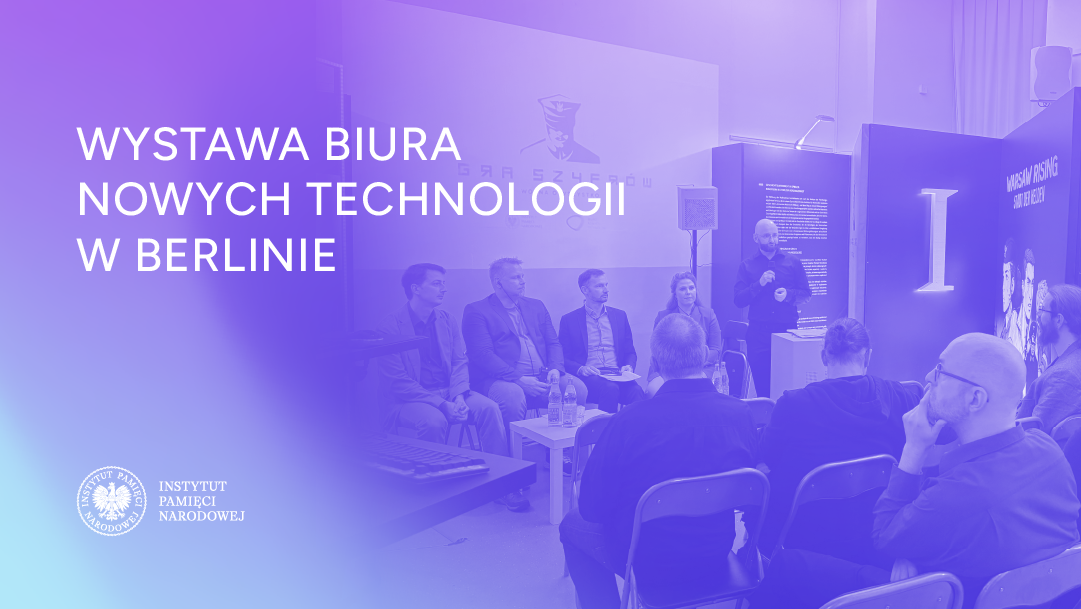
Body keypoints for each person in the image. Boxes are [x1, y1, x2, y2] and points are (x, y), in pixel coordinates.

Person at [753, 333, 1080, 609]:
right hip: (1024, 591)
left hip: (946, 596)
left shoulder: (959, 497)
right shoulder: (1047, 447)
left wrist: (913, 450)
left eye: (940, 371)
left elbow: (884, 536)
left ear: (975, 399)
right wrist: (912, 550)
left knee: (788, 565)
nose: (927, 378)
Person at [560, 313, 757, 609]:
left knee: (570, 525)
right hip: (716, 549)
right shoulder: (740, 414)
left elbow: (591, 507)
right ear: (706, 354)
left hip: (645, 557)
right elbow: (749, 491)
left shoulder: (627, 421)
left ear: (655, 362)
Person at [757, 318, 921, 563]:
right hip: (876, 532)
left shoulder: (793, 404)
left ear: (824, 357)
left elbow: (767, 457)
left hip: (807, 539)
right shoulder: (899, 396)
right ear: (868, 357)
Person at [377, 263, 524, 512]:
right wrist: (442, 404)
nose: (444, 289)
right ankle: (434, 492)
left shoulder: (447, 320)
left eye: (443, 283)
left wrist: (458, 397)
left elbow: (459, 362)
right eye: (436, 283)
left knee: (489, 408)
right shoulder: (390, 326)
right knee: (433, 421)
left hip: (450, 391)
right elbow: (398, 381)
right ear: (415, 288)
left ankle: (501, 485)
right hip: (410, 400)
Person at [461, 257, 587, 443]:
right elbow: (482, 355)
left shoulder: (536, 305)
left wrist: (555, 368)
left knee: (578, 389)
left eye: (522, 276)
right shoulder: (477, 310)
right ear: (498, 282)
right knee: (513, 396)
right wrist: (518, 379)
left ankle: (562, 451)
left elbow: (553, 343)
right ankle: (512, 456)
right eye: (515, 277)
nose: (522, 281)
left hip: (542, 375)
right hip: (500, 379)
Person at [734, 218, 811, 398]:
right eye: (767, 236)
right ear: (756, 238)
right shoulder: (747, 265)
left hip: (787, 331)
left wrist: (788, 295)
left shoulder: (793, 262)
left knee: (788, 386)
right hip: (758, 334)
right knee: (763, 387)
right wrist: (758, 284)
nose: (772, 240)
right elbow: (738, 300)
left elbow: (806, 294)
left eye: (775, 235)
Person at [559, 269, 646, 413]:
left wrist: (629, 366)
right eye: (599, 286)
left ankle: (635, 428)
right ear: (585, 290)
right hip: (590, 377)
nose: (606, 290)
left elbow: (630, 352)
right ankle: (606, 427)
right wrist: (581, 369)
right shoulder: (569, 320)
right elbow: (562, 357)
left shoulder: (620, 316)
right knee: (610, 389)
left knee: (637, 391)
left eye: (606, 285)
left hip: (617, 374)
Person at [645, 271, 722, 396]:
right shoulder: (662, 316)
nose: (688, 292)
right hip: (667, 370)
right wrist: (675, 368)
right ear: (675, 294)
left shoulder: (709, 315)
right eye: (682, 289)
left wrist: (692, 365)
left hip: (701, 368)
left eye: (691, 288)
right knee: (654, 391)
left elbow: (715, 350)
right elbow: (657, 350)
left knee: (691, 389)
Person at [1018, 283, 1081, 434]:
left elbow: (1032, 434)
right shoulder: (1071, 360)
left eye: (1042, 310)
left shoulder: (1063, 376)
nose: (1038, 316)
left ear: (1058, 320)